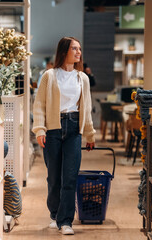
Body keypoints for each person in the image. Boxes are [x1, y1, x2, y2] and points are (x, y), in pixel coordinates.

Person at [32, 37, 95, 235]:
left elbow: (87, 107)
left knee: (70, 176)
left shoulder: (82, 78)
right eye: (74, 49)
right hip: (53, 129)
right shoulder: (49, 76)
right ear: (64, 51)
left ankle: (66, 221)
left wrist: (89, 134)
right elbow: (39, 104)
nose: (78, 52)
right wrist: (40, 129)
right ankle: (55, 214)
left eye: (79, 49)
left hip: (74, 127)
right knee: (54, 178)